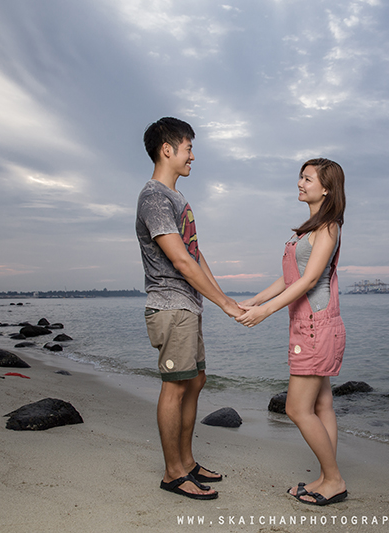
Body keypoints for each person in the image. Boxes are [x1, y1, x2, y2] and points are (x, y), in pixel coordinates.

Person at [136, 117, 243, 500]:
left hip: (188, 306)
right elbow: (181, 261)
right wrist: (224, 304)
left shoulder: (175, 198)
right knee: (176, 386)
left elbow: (195, 255)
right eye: (188, 148)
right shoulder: (154, 197)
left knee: (194, 381)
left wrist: (224, 298)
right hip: (170, 305)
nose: (192, 156)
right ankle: (173, 473)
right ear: (168, 149)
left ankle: (187, 462)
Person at [236, 158, 347, 506]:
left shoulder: (328, 227)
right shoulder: (308, 229)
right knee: (323, 404)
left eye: (307, 179)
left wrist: (266, 311)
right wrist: (256, 299)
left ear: (326, 188)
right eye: (301, 177)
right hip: (310, 326)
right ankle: (327, 476)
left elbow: (310, 280)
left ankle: (334, 480)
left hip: (315, 327)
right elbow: (290, 278)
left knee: (297, 409)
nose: (300, 183)